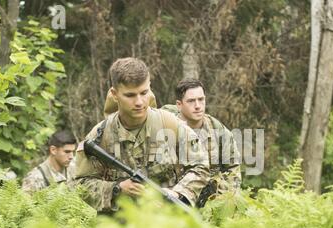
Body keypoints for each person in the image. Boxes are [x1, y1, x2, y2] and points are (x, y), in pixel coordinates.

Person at [74, 57, 209, 214]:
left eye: (144, 93)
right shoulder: (100, 136)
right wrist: (117, 189)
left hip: (169, 225)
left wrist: (177, 193)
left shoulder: (169, 124)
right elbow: (80, 186)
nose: (139, 102)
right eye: (130, 95)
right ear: (114, 94)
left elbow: (201, 164)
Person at [163, 78, 242, 207]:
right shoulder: (164, 128)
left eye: (201, 99)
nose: (198, 106)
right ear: (179, 104)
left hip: (209, 204)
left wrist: (223, 200)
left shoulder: (219, 131)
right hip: (171, 200)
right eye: (191, 101)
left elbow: (233, 171)